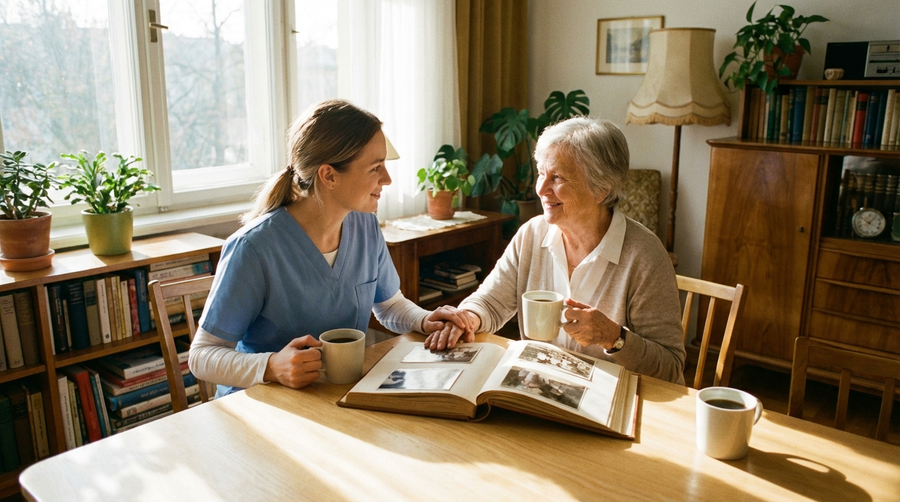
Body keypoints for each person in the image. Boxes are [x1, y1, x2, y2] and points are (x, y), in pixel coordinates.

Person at [190, 99, 469, 397]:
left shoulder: (366, 225)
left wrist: (424, 319)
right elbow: (202, 356)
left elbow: (388, 305)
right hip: (262, 406)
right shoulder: (254, 247)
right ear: (329, 175)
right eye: (375, 168)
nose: (387, 179)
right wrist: (272, 366)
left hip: (334, 396)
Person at [424, 116, 686, 385]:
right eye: (541, 173)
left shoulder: (645, 256)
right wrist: (465, 318)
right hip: (538, 389)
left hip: (610, 403)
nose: (540, 189)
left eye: (557, 177)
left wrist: (614, 337)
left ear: (601, 189)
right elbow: (490, 302)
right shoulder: (532, 234)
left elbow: (670, 367)